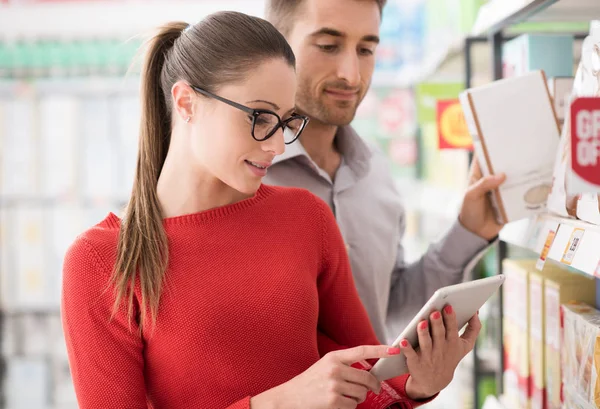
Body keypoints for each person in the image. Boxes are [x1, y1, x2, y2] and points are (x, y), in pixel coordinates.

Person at [61, 11, 481, 409]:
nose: (277, 145)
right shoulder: (100, 261)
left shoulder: (306, 218)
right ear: (186, 102)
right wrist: (278, 402)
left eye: (284, 121)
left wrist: (416, 384)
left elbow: (368, 379)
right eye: (260, 117)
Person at [264, 0, 507, 342]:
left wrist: (469, 230)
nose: (352, 75)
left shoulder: (374, 171)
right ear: (275, 44)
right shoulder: (244, 176)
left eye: (366, 49)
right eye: (329, 46)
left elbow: (390, 310)